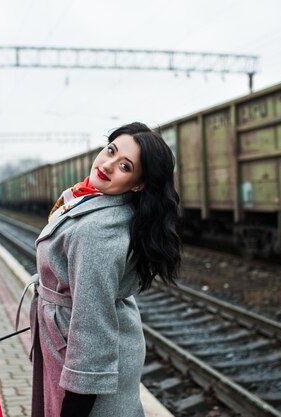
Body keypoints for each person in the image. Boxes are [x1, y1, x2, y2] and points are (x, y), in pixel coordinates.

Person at [28, 122, 181, 417]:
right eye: (110, 150)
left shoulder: (98, 231)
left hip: (83, 362)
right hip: (70, 340)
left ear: (138, 184)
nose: (107, 165)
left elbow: (92, 322)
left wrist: (75, 405)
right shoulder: (94, 200)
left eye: (124, 166)